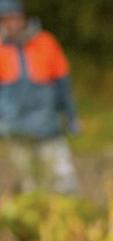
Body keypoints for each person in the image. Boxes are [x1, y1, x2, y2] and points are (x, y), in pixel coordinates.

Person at [0, 0, 79, 196]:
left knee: (63, 180)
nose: (11, 24)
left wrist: (70, 116)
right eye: (6, 19)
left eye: (15, 18)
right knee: (30, 185)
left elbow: (63, 84)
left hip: (48, 127)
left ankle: (69, 210)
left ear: (23, 17)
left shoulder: (45, 42)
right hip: (16, 129)